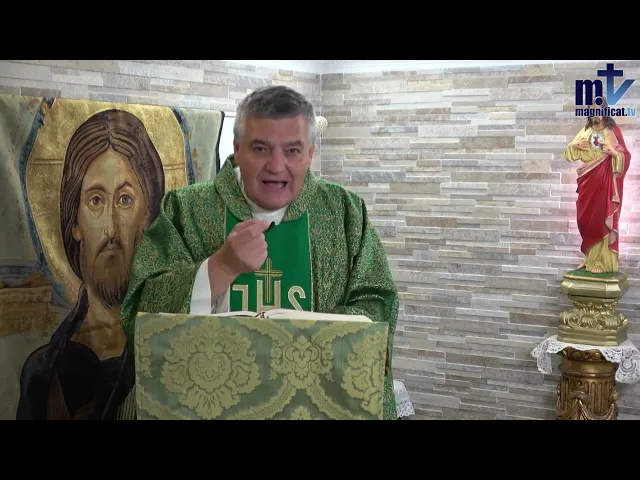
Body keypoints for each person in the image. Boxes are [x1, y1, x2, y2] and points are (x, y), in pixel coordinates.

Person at [120, 85, 399, 419]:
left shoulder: (345, 213)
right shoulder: (186, 209)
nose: (276, 166)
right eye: (261, 148)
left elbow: (377, 304)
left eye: (293, 150)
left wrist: (315, 344)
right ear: (237, 149)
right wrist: (220, 267)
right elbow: (142, 316)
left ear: (311, 153)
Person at [16, 109, 166, 420]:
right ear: (75, 222)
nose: (111, 228)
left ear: (147, 217)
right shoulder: (44, 373)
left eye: (125, 200)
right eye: (95, 201)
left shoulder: (168, 351)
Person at [564, 103, 632, 273]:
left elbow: (625, 156)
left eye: (598, 110)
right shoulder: (585, 131)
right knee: (584, 220)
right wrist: (574, 146)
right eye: (592, 110)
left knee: (600, 220)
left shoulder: (612, 131)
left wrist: (613, 153)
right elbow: (569, 152)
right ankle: (589, 258)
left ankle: (601, 262)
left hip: (604, 183)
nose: (595, 113)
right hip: (587, 180)